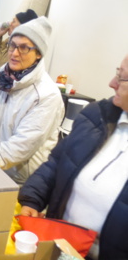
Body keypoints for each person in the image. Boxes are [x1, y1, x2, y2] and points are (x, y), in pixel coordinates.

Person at [18, 56, 128, 260]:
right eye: (117, 73)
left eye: (121, 79)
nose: (111, 83)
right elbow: (57, 162)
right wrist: (33, 199)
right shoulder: (97, 115)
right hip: (60, 245)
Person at [0, 16, 64, 185]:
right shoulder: (2, 76)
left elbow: (20, 147)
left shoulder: (46, 95)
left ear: (38, 53)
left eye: (24, 48)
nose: (14, 53)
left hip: (19, 181)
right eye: (12, 45)